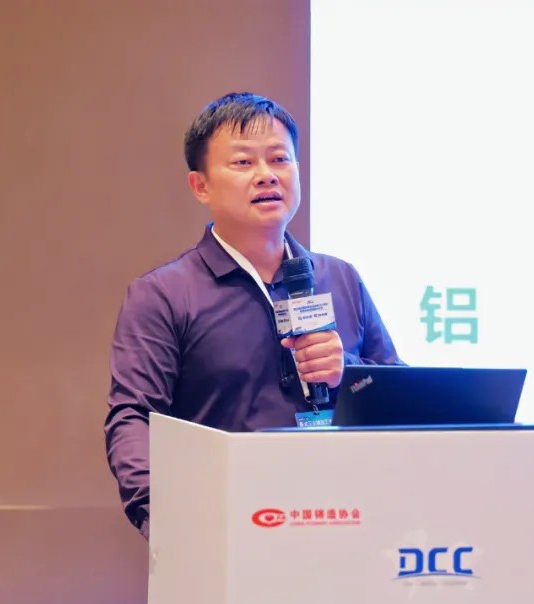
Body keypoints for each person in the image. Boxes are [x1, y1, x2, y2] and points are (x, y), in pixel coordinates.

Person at [104, 92, 403, 539]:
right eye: (243, 162)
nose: (267, 175)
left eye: (280, 159)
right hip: (228, 528)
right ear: (200, 186)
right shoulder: (163, 294)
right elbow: (134, 418)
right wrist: (163, 518)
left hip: (347, 522)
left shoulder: (340, 277)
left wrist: (347, 370)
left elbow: (401, 396)